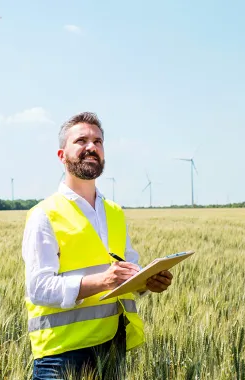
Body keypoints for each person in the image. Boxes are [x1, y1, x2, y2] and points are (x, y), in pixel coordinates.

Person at [21, 111, 174, 379]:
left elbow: (125, 270)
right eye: (81, 140)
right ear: (61, 156)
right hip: (62, 355)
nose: (91, 147)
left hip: (112, 347)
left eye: (98, 142)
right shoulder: (44, 214)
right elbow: (38, 288)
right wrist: (102, 281)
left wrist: (146, 283)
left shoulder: (115, 212)